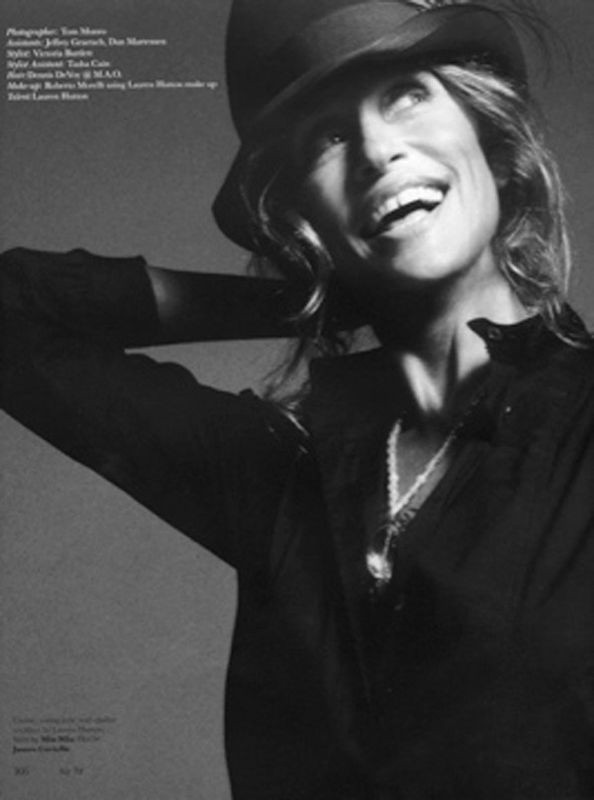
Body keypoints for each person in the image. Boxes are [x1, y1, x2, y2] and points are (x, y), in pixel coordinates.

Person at [2, 0, 594, 798]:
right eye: (328, 136)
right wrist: (316, 296)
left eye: (407, 95)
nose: (378, 151)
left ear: (488, 132)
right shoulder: (279, 472)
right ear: (297, 213)